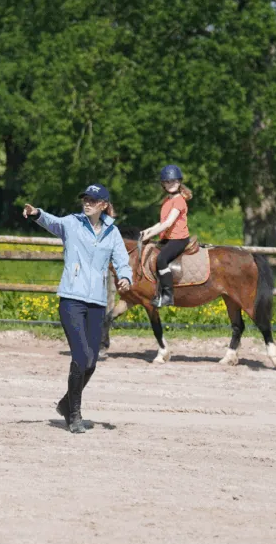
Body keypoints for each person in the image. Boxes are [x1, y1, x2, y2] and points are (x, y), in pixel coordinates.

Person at [23, 184, 133, 434]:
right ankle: (74, 415)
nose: (87, 203)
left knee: (91, 363)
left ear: (103, 205)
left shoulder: (112, 232)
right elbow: (52, 222)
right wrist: (36, 213)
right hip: (71, 299)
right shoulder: (72, 223)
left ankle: (65, 403)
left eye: (93, 200)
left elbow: (122, 261)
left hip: (97, 303)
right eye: (85, 199)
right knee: (81, 357)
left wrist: (125, 278)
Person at [138, 164, 192, 308]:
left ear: (179, 182)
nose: (170, 184)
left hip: (179, 239)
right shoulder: (167, 200)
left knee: (161, 259)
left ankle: (168, 295)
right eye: (167, 182)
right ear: (163, 184)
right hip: (167, 238)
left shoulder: (179, 200)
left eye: (173, 181)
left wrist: (150, 235)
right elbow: (162, 222)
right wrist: (147, 231)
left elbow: (168, 224)